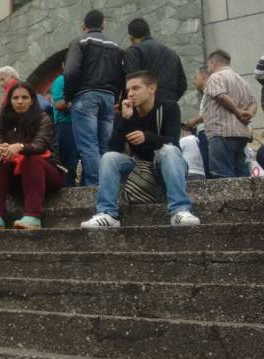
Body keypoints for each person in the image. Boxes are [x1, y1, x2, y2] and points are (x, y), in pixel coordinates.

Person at [81, 71, 200, 228]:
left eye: (136, 88)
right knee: (109, 158)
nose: (130, 94)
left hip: (165, 163)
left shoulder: (169, 107)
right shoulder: (125, 114)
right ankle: (108, 214)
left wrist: (148, 137)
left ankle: (179, 210)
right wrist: (124, 119)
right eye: (128, 90)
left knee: (169, 150)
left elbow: (173, 142)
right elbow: (113, 149)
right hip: (138, 168)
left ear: (152, 88)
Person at [0, 83, 65, 231]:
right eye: (15, 98)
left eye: (24, 97)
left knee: (31, 160)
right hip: (16, 176)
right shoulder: (3, 121)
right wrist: (2, 149)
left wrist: (20, 147)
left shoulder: (43, 118)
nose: (20, 101)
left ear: (32, 100)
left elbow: (41, 145)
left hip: (46, 173)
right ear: (10, 101)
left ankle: (33, 216)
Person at [64, 10, 125, 186]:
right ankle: (110, 183)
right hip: (108, 97)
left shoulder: (80, 41)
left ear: (84, 26)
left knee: (88, 144)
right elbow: (123, 74)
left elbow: (71, 71)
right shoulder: (116, 46)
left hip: (85, 96)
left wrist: (69, 96)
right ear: (103, 24)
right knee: (106, 144)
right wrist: (116, 97)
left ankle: (96, 186)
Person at [203, 50, 257, 178]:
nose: (208, 68)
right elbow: (254, 102)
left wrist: (238, 112)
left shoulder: (216, 77)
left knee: (222, 175)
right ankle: (245, 199)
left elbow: (221, 96)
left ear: (213, 62)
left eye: (208, 64)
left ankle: (227, 199)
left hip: (221, 132)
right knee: (242, 176)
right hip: (241, 134)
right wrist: (249, 114)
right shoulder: (242, 81)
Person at [124, 18, 188, 101]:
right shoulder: (172, 54)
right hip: (169, 106)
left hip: (146, 106)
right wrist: (170, 99)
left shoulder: (134, 51)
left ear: (131, 38)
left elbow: (133, 81)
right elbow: (182, 84)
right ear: (148, 33)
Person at [50, 74, 79, 186]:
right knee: (67, 163)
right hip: (65, 124)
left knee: (73, 162)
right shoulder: (61, 80)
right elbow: (59, 104)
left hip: (78, 124)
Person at [183, 67, 212, 178]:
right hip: (204, 132)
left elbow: (212, 112)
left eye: (196, 77)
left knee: (209, 168)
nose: (194, 80)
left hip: (207, 132)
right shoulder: (205, 93)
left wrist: (194, 120)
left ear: (204, 76)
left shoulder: (210, 91)